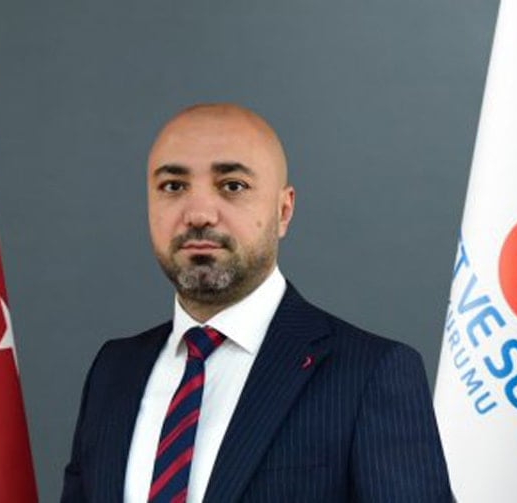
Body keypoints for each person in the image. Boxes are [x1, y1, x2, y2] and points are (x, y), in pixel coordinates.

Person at [61, 103, 451, 502]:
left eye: (232, 186)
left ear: (283, 211)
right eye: (173, 187)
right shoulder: (114, 371)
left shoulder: (370, 374)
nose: (198, 214)